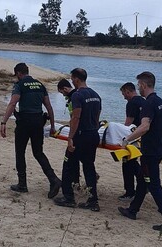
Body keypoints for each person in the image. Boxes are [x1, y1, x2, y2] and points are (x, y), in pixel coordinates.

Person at [118, 72, 162, 232]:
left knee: (154, 184)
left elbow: (145, 127)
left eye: (139, 85)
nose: (138, 87)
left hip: (150, 151)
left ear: (144, 85)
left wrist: (127, 139)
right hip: (159, 147)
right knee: (142, 180)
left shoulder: (148, 104)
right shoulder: (160, 102)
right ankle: (132, 210)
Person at [0, 62, 61, 199]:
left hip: (24, 122)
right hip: (38, 122)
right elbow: (49, 107)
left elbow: (13, 103)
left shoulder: (19, 85)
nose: (17, 77)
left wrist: (4, 121)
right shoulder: (40, 85)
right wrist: (52, 125)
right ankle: (54, 180)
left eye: (16, 75)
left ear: (19, 73)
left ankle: (22, 184)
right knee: (38, 153)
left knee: (20, 152)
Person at [54, 68, 102, 212]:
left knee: (68, 164)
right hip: (93, 134)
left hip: (81, 135)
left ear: (76, 79)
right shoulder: (96, 95)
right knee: (89, 167)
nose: (72, 81)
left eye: (72, 79)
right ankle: (93, 200)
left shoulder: (78, 96)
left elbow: (76, 117)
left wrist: (70, 138)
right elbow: (98, 115)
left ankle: (68, 197)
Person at [118, 82, 143, 201]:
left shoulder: (132, 103)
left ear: (128, 91)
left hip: (134, 137)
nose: (124, 97)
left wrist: (123, 139)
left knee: (127, 162)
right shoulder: (144, 101)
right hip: (143, 137)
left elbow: (128, 124)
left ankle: (130, 192)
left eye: (124, 94)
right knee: (133, 162)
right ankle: (143, 183)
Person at [57, 79, 80, 186]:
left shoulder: (73, 98)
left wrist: (70, 135)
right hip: (86, 131)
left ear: (65, 89)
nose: (62, 95)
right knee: (78, 157)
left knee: (69, 158)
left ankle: (71, 183)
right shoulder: (79, 94)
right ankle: (76, 181)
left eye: (62, 92)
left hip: (76, 133)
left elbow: (74, 117)